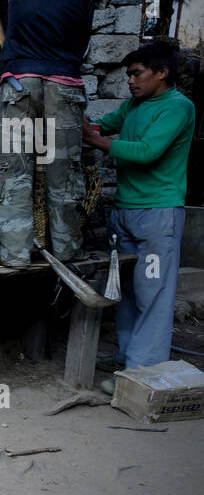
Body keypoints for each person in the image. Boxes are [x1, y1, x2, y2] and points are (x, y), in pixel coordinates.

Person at [82, 42, 196, 382]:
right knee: (128, 291)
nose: (130, 81)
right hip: (125, 211)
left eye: (137, 74)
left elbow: (147, 152)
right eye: (128, 74)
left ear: (162, 73)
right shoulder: (134, 104)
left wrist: (93, 140)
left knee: (153, 294)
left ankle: (142, 372)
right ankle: (126, 358)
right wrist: (81, 122)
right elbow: (104, 125)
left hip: (158, 213)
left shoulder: (178, 107)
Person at [0, 0, 95, 268]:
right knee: (64, 169)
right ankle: (67, 250)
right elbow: (83, 35)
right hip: (65, 82)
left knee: (14, 169)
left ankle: (14, 254)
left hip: (20, 80)